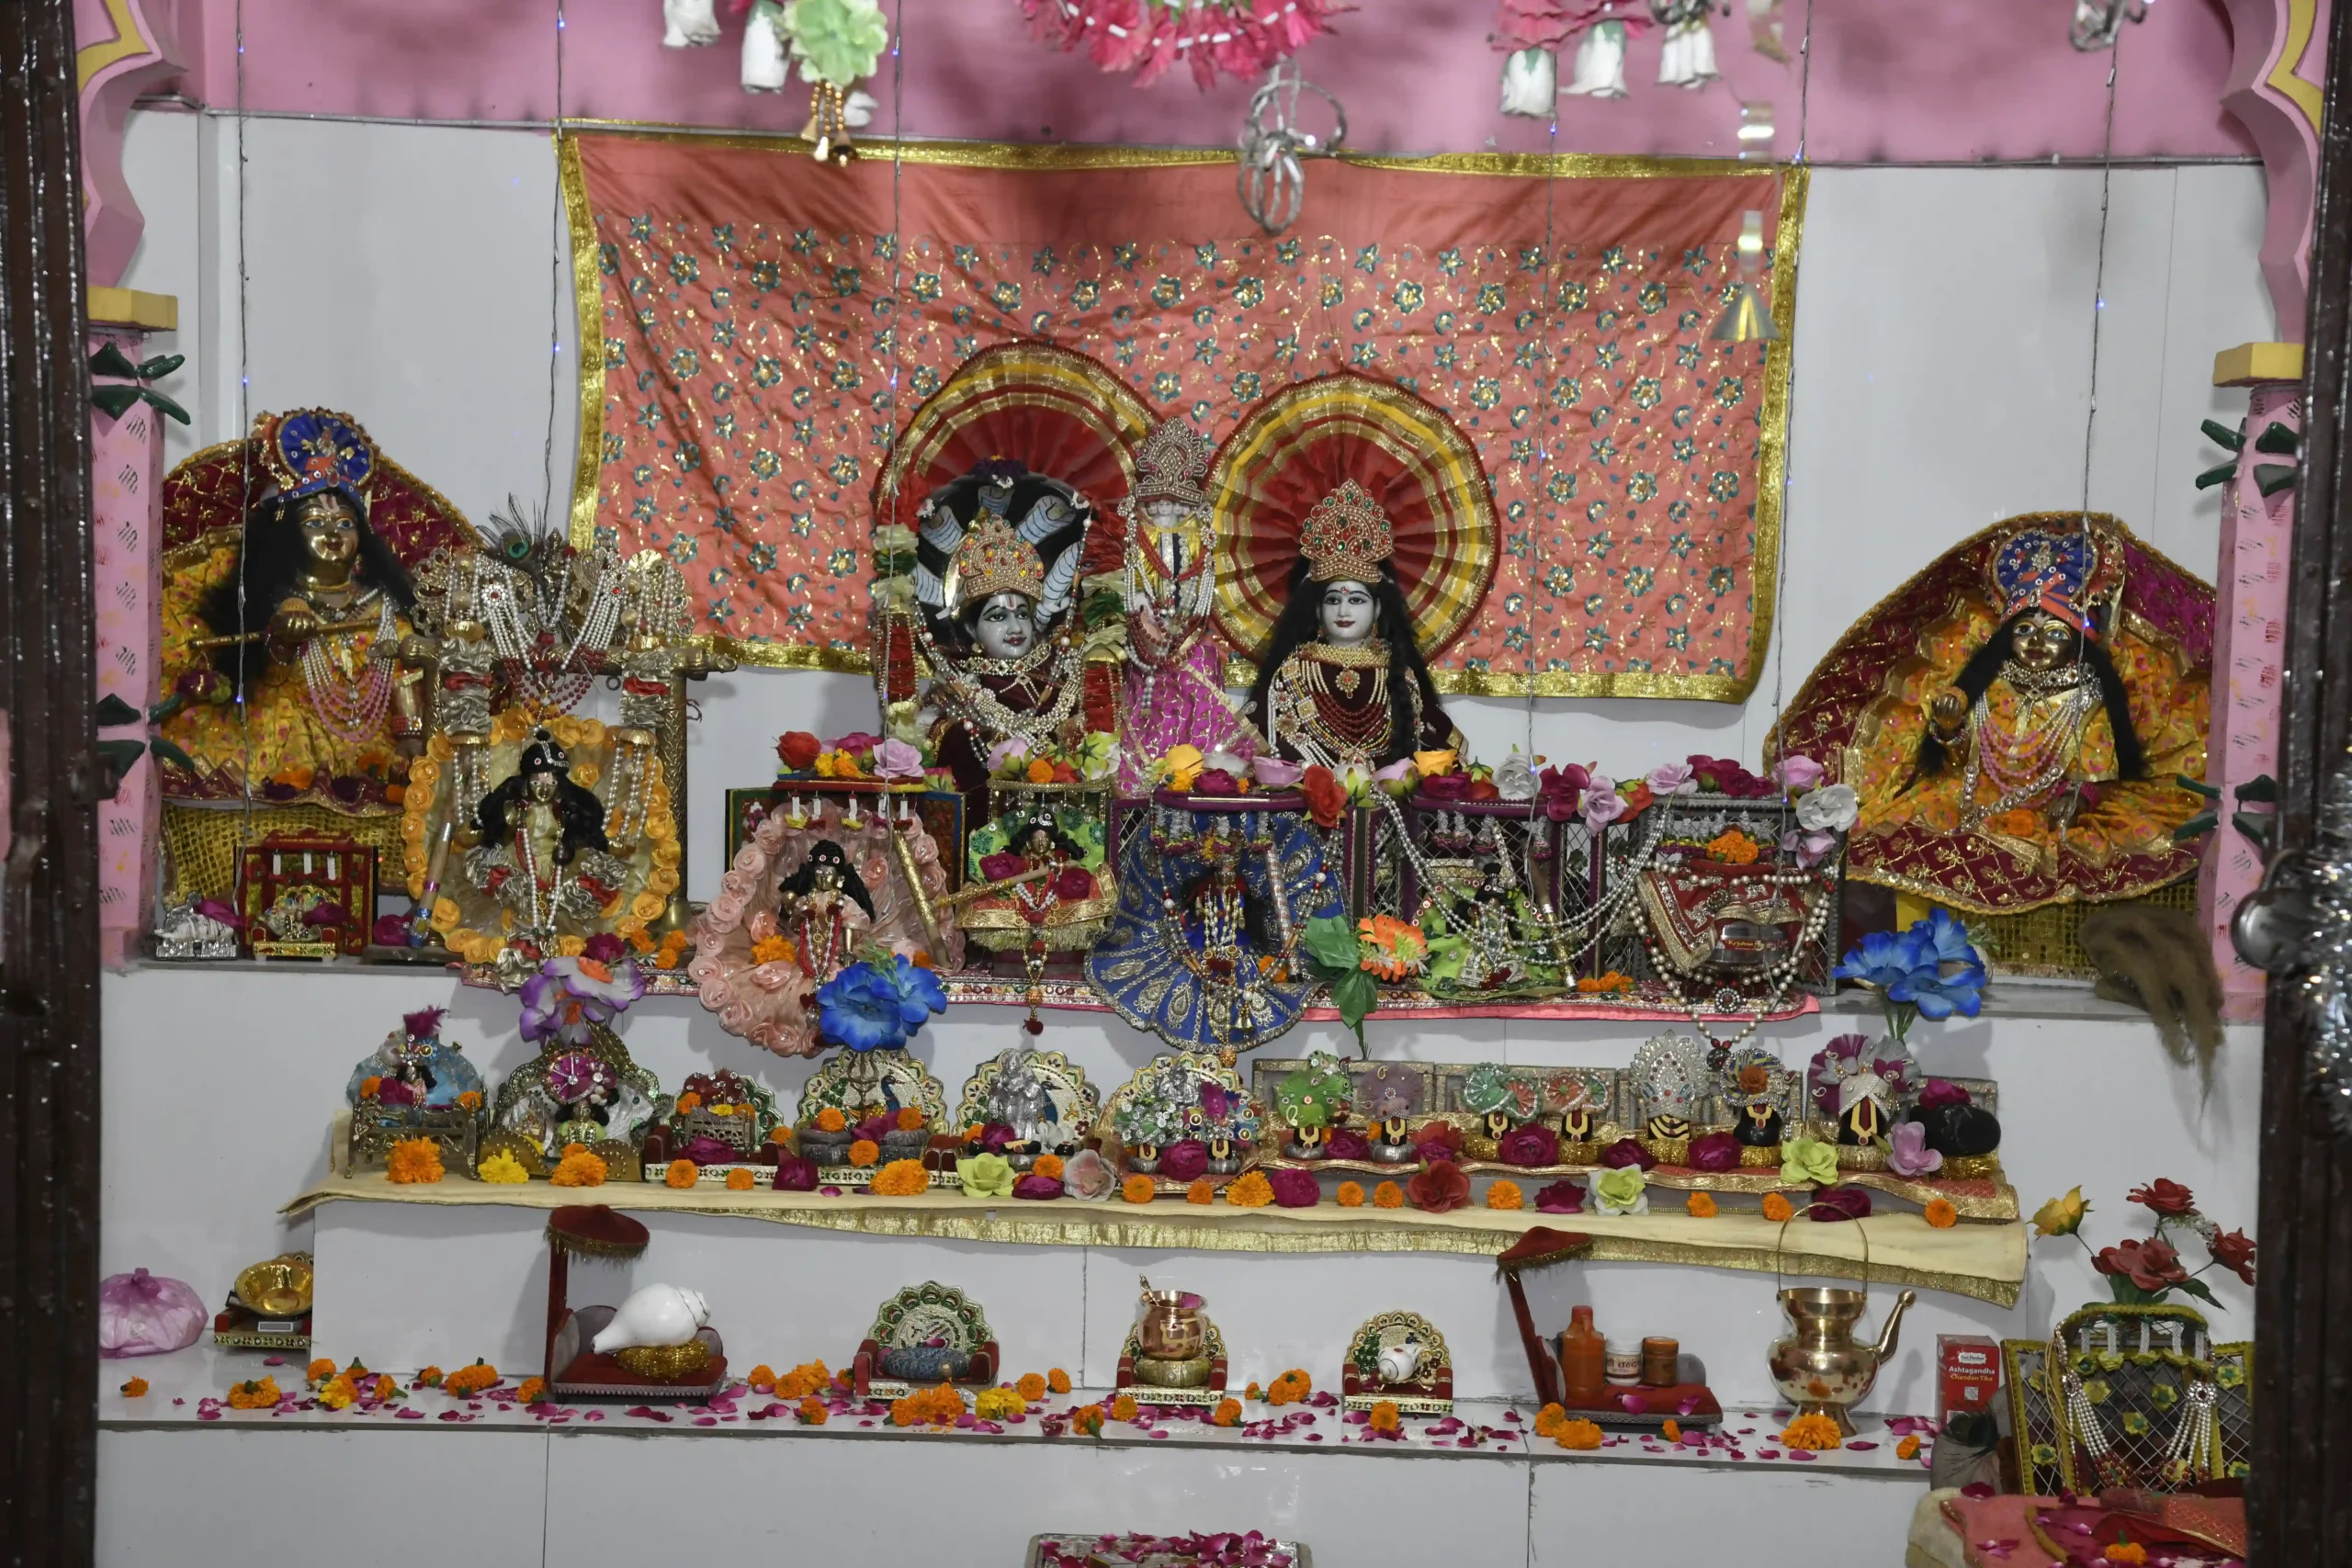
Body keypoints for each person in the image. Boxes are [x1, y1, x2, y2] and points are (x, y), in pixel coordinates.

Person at [1245, 479, 1461, 770]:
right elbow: (1260, 750)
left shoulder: (1401, 676)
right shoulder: (1290, 675)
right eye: (1333, 600)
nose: (1343, 610)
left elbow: (1433, 757)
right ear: (1318, 610)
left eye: (1357, 600)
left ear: (1378, 609)